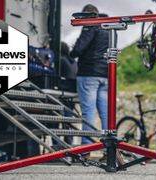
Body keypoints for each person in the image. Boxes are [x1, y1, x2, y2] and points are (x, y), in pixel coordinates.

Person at [70, 4, 109, 145]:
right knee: (106, 114)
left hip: (89, 73)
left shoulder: (90, 25)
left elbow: (80, 47)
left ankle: (86, 148)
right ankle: (109, 148)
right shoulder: (109, 27)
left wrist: (71, 53)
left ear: (86, 14)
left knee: (88, 112)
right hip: (106, 75)